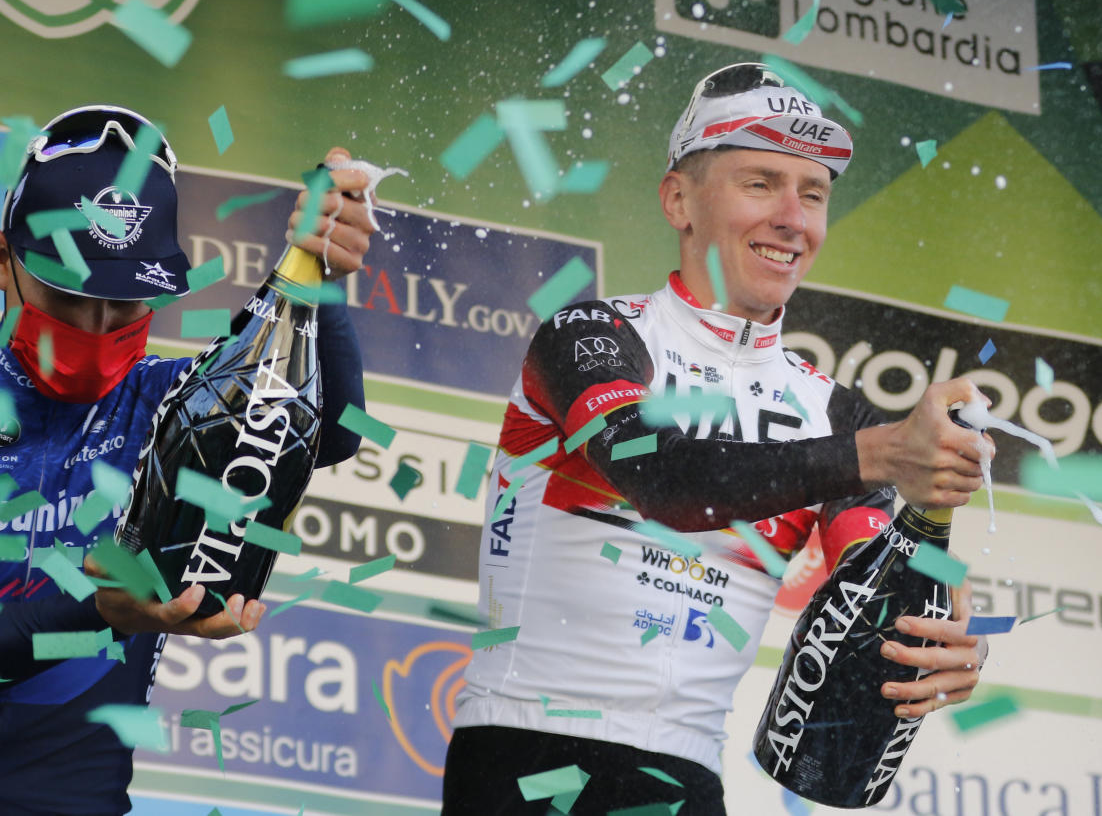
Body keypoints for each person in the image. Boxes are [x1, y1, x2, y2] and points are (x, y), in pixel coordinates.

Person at [441, 63, 995, 814]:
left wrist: (946, 642)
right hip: (523, 753)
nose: (793, 219)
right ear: (679, 200)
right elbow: (663, 478)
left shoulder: (841, 415)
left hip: (689, 775)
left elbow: (878, 586)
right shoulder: (590, 335)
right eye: (760, 183)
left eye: (814, 195)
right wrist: (884, 454)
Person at [0, 104, 376, 815]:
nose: (99, 327)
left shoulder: (167, 401)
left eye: (127, 303)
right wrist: (100, 610)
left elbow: (332, 431)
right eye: (70, 297)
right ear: (3, 262)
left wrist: (316, 274)